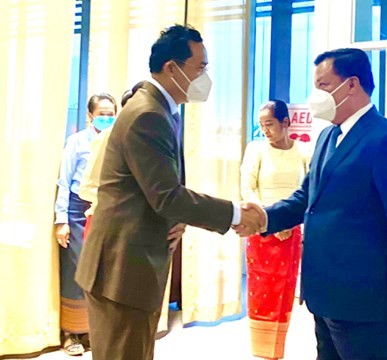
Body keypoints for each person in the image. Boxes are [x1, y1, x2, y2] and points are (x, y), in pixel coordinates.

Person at [75, 24, 264, 360]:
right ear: (172, 68)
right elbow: (166, 196)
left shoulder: (161, 110)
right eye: (200, 67)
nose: (205, 77)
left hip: (132, 264)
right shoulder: (147, 114)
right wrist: (235, 213)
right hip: (121, 269)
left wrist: (174, 217)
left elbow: (156, 192)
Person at [237, 48, 387, 360]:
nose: (316, 95)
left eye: (323, 86)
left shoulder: (386, 139)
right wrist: (263, 218)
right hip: (324, 292)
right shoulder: (328, 136)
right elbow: (306, 199)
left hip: (364, 298)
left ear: (352, 85)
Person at [240, 100, 308, 359]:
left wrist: (287, 222)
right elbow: (248, 188)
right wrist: (269, 220)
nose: (265, 130)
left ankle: (277, 348)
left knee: (284, 291)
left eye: (269, 124)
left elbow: (306, 193)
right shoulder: (255, 149)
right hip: (261, 229)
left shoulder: (302, 152)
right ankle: (261, 350)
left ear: (285, 123)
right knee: (261, 290)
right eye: (261, 125)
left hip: (291, 231)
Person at [54, 93, 117, 356]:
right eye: (101, 113)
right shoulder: (77, 141)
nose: (106, 117)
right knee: (76, 271)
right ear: (90, 115)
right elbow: (65, 182)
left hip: (105, 212)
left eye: (110, 113)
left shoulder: (116, 140)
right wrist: (61, 220)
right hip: (78, 212)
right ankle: (71, 333)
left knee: (100, 274)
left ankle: (91, 330)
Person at [79, 81, 145, 240]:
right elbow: (86, 187)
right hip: (106, 224)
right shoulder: (107, 137)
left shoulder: (150, 140)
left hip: (137, 227)